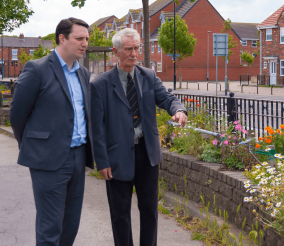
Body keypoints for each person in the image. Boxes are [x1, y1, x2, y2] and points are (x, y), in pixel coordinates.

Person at [91, 28, 187, 246]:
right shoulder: (100, 85)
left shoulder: (149, 76)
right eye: (128, 49)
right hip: (117, 157)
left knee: (149, 211)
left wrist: (178, 110)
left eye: (137, 48)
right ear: (116, 51)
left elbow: (166, 98)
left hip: (147, 154)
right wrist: (102, 161)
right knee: (120, 214)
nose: (134, 54)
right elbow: (96, 128)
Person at [10, 17, 93, 246]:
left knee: (70, 225)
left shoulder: (83, 73)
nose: (84, 43)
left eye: (86, 39)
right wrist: (36, 146)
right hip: (47, 160)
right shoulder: (36, 69)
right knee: (50, 227)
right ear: (62, 38)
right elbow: (17, 116)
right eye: (79, 38)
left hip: (78, 156)